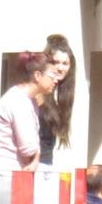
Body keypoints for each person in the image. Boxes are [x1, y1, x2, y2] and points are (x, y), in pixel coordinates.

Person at [0, 53, 58, 171]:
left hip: (16, 169)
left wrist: (36, 154)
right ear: (38, 76)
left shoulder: (31, 100)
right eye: (52, 75)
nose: (55, 80)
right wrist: (37, 155)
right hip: (6, 170)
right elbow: (28, 148)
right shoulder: (18, 100)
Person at [38, 35, 77, 169]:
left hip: (46, 165)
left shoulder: (58, 95)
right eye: (55, 62)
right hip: (32, 166)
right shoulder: (39, 92)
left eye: (65, 63)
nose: (60, 68)